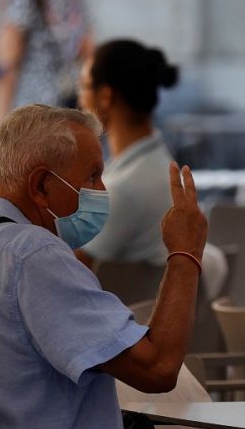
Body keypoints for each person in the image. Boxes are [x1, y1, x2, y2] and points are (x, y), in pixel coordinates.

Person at [0, 104, 207, 429]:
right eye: (93, 176)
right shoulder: (34, 255)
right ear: (42, 186)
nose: (102, 190)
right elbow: (158, 369)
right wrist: (184, 254)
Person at [74, 38, 180, 267]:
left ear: (105, 96)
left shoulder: (123, 190)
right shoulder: (161, 166)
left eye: (83, 86)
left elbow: (62, 271)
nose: (79, 99)